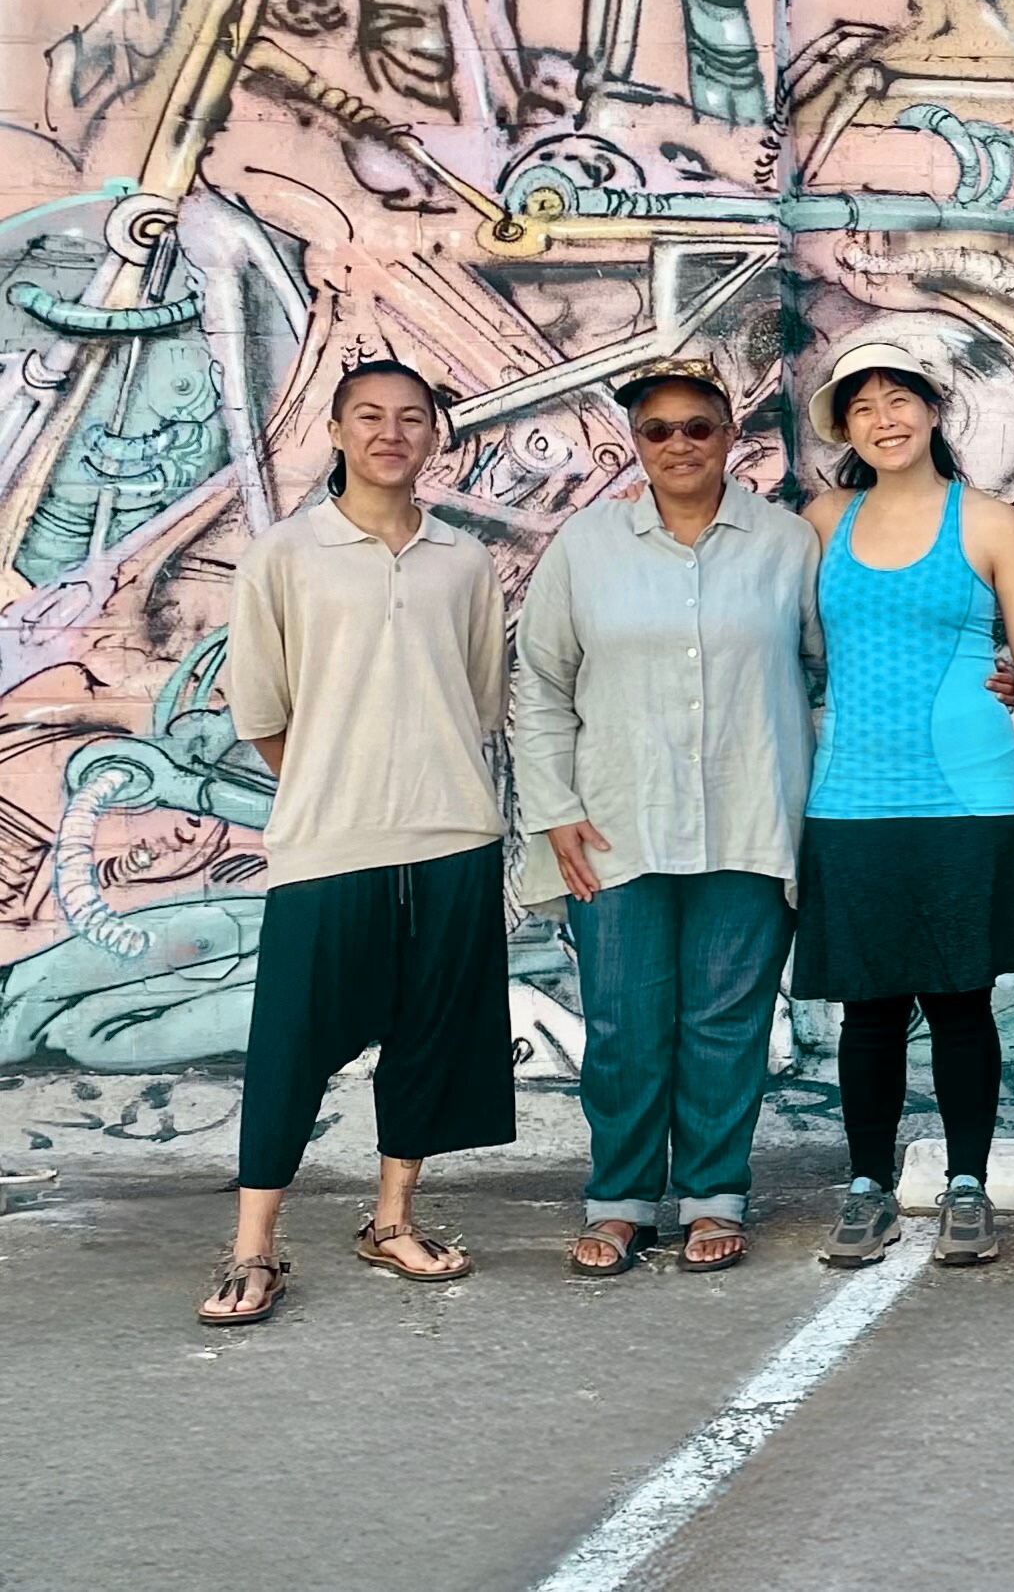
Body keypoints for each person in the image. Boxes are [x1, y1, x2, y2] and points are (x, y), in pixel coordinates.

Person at [207, 360, 513, 1326]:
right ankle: (254, 1247)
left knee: (428, 1038)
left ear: (435, 438)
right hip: (327, 841)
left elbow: (478, 701)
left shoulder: (464, 563)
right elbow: (261, 705)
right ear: (336, 431)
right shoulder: (286, 556)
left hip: (452, 831)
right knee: (290, 1047)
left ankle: (392, 1220)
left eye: (412, 418)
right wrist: (335, 782)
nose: (391, 432)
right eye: (369, 416)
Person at [515, 360, 818, 1277]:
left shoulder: (787, 544)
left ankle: (715, 1195)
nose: (679, 444)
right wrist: (555, 811)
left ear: (733, 438)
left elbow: (835, 664)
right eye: (659, 430)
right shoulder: (586, 546)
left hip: (750, 812)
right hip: (616, 822)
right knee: (622, 1023)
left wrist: (987, 672)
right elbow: (539, 686)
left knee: (727, 1020)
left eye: (698, 427)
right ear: (636, 444)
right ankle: (621, 1199)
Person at [794, 343, 1014, 1273]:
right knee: (868, 1010)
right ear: (847, 428)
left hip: (968, 796)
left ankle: (967, 1187)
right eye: (861, 406)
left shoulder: (988, 522)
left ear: (932, 410)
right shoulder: (823, 519)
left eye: (898, 397)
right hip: (852, 796)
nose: (883, 417)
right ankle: (866, 1186)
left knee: (958, 1002)